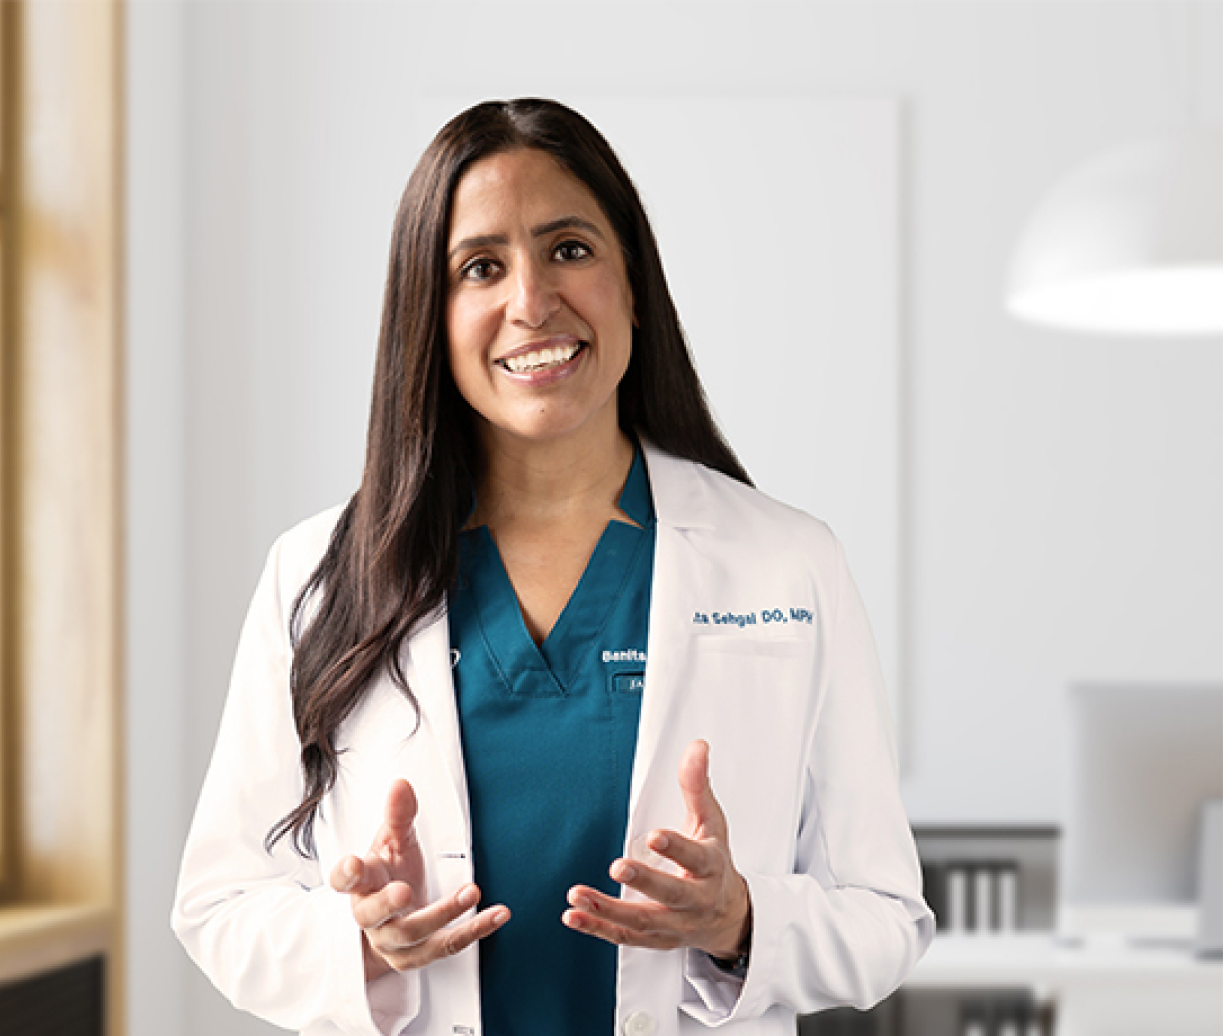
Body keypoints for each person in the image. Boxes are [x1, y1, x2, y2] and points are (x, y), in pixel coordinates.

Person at [170, 99, 928, 1035]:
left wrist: (739, 920)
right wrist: (364, 940)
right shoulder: (317, 575)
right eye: (480, 267)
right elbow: (220, 904)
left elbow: (888, 916)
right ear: (430, 318)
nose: (531, 301)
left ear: (633, 284)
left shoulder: (786, 562)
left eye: (569, 249)